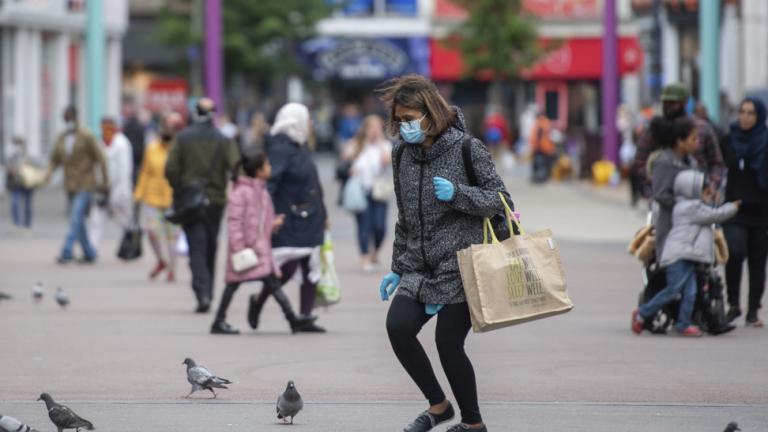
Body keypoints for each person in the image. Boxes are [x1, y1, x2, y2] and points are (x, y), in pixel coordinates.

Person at [379, 74, 511, 432]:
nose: (404, 127)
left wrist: (458, 194)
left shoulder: (467, 148)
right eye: (399, 120)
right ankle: (438, 405)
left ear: (430, 112)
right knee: (398, 328)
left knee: (448, 344)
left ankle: (473, 424)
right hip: (420, 267)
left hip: (461, 265)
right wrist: (397, 267)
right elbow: (404, 214)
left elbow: (501, 203)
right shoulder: (401, 154)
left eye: (410, 119)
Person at [211, 152, 317, 335]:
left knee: (271, 283)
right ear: (258, 171)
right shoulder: (242, 192)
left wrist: (273, 223)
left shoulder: (261, 191)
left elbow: (260, 221)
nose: (270, 168)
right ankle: (219, 320)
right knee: (233, 284)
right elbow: (234, 221)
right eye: (267, 165)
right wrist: (238, 247)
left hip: (259, 249)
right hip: (245, 249)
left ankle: (292, 319)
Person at [633, 169, 739, 336]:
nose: (708, 194)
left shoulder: (689, 205)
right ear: (693, 190)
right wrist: (732, 207)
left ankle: (683, 324)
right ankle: (642, 313)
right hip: (678, 256)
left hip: (689, 256)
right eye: (705, 191)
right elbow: (715, 215)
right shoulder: (690, 207)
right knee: (673, 290)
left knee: (690, 292)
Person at [165, 98, 240, 313]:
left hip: (189, 200)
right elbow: (236, 168)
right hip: (215, 200)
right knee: (211, 245)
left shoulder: (182, 138)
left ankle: (202, 292)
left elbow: (170, 169)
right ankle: (208, 291)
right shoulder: (224, 140)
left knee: (196, 247)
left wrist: (179, 187)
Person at [266, 102, 328, 333]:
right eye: (307, 118)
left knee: (311, 266)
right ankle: (259, 301)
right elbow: (270, 184)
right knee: (288, 267)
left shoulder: (301, 145)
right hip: (288, 216)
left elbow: (313, 182)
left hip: (310, 215)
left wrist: (324, 213)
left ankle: (305, 317)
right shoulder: (280, 147)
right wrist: (269, 215)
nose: (311, 123)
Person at [721, 97, 768, 327]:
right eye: (742, 111)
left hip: (761, 211)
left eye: (751, 113)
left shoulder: (765, 141)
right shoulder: (729, 140)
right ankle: (733, 303)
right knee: (735, 252)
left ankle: (752, 310)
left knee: (758, 262)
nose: (745, 117)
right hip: (734, 208)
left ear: (759, 117)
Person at [632, 83, 725, 197]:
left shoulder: (702, 128)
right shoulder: (654, 130)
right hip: (663, 198)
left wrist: (711, 186)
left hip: (696, 196)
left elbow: (716, 162)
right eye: (666, 102)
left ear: (685, 102)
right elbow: (639, 163)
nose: (669, 106)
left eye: (673, 103)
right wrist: (652, 187)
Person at [45, 106, 109, 264]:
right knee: (77, 219)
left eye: (70, 119)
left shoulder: (87, 136)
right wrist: (48, 174)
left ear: (76, 118)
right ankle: (90, 253)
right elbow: (54, 159)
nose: (68, 122)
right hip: (70, 184)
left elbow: (101, 158)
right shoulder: (62, 137)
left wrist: (105, 181)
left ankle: (66, 251)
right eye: (65, 119)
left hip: (85, 183)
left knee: (75, 217)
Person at [134, 112, 183, 282]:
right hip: (152, 198)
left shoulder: (180, 149)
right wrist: (139, 194)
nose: (168, 130)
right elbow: (145, 172)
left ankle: (172, 269)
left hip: (173, 199)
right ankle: (161, 260)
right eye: (166, 126)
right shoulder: (152, 148)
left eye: (172, 127)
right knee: (152, 231)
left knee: (172, 238)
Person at [341, 115, 392, 272]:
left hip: (379, 191)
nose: (374, 131)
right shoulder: (356, 145)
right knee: (364, 225)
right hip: (361, 190)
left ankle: (374, 252)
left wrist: (381, 142)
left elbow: (387, 161)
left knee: (380, 227)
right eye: (371, 127)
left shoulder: (385, 145)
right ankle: (364, 258)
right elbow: (344, 158)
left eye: (377, 127)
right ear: (365, 129)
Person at [648, 116, 701, 263]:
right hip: (671, 229)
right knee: (676, 277)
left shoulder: (693, 162)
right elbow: (660, 194)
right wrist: (685, 207)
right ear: (680, 141)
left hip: (692, 232)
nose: (697, 143)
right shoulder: (664, 162)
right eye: (693, 139)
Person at [87, 117, 134, 253]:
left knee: (124, 221)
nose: (105, 129)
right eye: (103, 126)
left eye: (108, 126)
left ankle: (130, 247)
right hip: (102, 189)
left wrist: (121, 191)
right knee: (96, 220)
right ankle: (92, 250)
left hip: (119, 189)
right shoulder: (99, 143)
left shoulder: (122, 143)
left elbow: (125, 169)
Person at [5, 137, 35, 229]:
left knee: (27, 204)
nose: (17, 147)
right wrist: (11, 169)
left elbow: (32, 169)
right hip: (16, 184)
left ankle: (27, 223)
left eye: (18, 144)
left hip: (26, 184)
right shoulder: (12, 157)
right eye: (15, 144)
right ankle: (16, 223)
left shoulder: (27, 156)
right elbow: (8, 169)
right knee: (15, 203)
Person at [529, 112, 556, 183]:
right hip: (545, 147)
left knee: (540, 163)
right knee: (543, 163)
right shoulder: (547, 123)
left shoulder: (539, 123)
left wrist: (535, 147)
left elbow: (538, 136)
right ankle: (542, 177)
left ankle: (539, 178)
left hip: (540, 148)